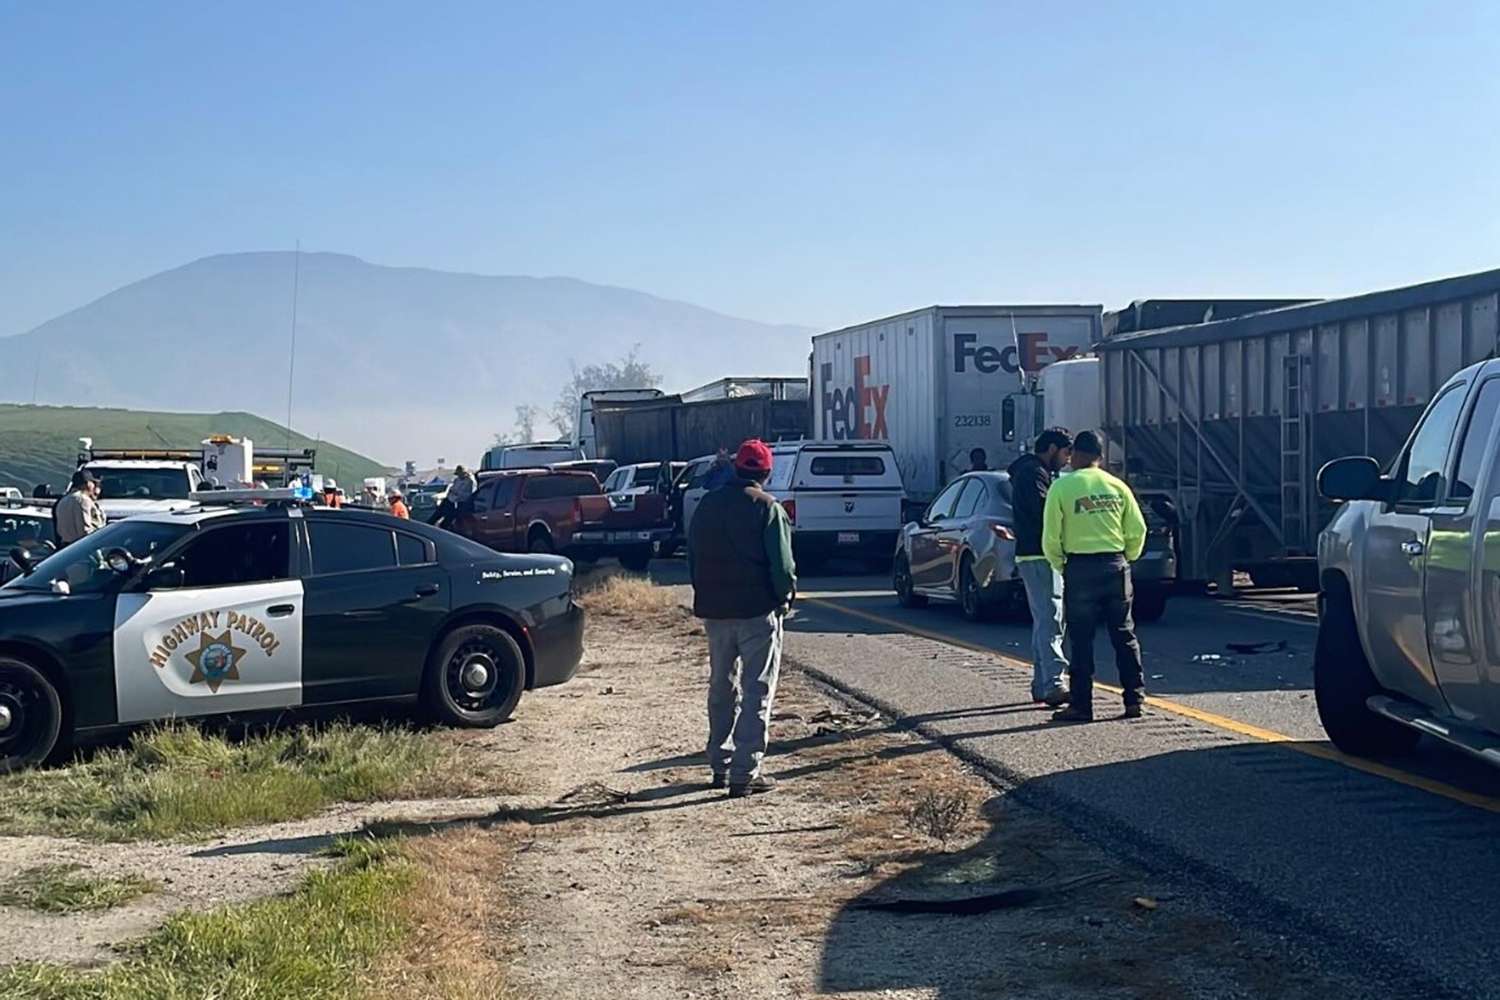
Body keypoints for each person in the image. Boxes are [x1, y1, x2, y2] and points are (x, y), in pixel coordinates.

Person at [688, 439, 796, 798]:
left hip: (716, 613)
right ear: (766, 472)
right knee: (756, 690)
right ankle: (744, 772)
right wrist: (784, 598)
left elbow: (694, 557)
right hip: (756, 612)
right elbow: (782, 566)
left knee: (721, 686)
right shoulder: (768, 508)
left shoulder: (707, 505)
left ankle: (719, 763)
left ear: (736, 468)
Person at [1041, 430, 1148, 723]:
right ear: (1100, 457)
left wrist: (1061, 564)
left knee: (1081, 639)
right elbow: (1138, 530)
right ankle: (1134, 699)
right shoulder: (1118, 486)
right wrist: (1127, 557)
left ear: (1075, 454)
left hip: (1080, 567)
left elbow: (1050, 536)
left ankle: (1082, 706)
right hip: (1115, 565)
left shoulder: (1062, 488)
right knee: (1124, 635)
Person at [1007, 428, 1072, 707]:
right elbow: (1044, 512)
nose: (1068, 460)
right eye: (1066, 453)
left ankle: (1041, 684)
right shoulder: (1034, 474)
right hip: (1039, 554)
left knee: (1044, 619)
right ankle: (1054, 683)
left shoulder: (1031, 472)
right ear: (1053, 448)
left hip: (1031, 553)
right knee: (1051, 617)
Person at [54, 470, 105, 546]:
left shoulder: (63, 501)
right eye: (93, 483)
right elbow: (84, 530)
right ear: (88, 484)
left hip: (65, 547)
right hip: (81, 546)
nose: (94, 486)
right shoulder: (83, 500)